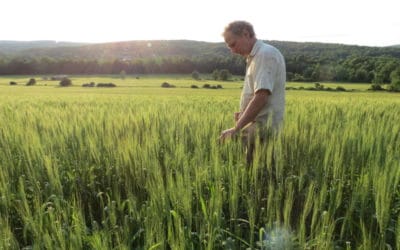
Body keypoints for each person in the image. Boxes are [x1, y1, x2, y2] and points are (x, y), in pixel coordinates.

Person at [219, 21, 286, 164]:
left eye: (233, 44)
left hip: (262, 128)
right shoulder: (255, 57)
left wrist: (236, 129)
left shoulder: (265, 54)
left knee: (256, 173)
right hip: (255, 126)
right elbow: (257, 93)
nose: (232, 50)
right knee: (253, 172)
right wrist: (244, 113)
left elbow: (261, 96)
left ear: (245, 34)